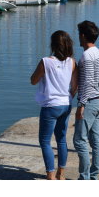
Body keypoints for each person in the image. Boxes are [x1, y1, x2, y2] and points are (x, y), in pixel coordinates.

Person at [31, 31, 78, 180]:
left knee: (45, 141)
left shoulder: (46, 62)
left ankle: (51, 177)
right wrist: (67, 98)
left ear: (52, 45)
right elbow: (75, 86)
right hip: (66, 105)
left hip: (50, 106)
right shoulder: (71, 62)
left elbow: (33, 80)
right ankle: (61, 175)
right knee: (61, 140)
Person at [73, 20, 99, 180]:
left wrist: (81, 104)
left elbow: (88, 82)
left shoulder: (86, 55)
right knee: (95, 140)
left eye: (79, 34)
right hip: (97, 99)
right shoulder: (97, 52)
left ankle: (84, 178)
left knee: (79, 140)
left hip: (89, 102)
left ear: (83, 36)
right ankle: (93, 177)